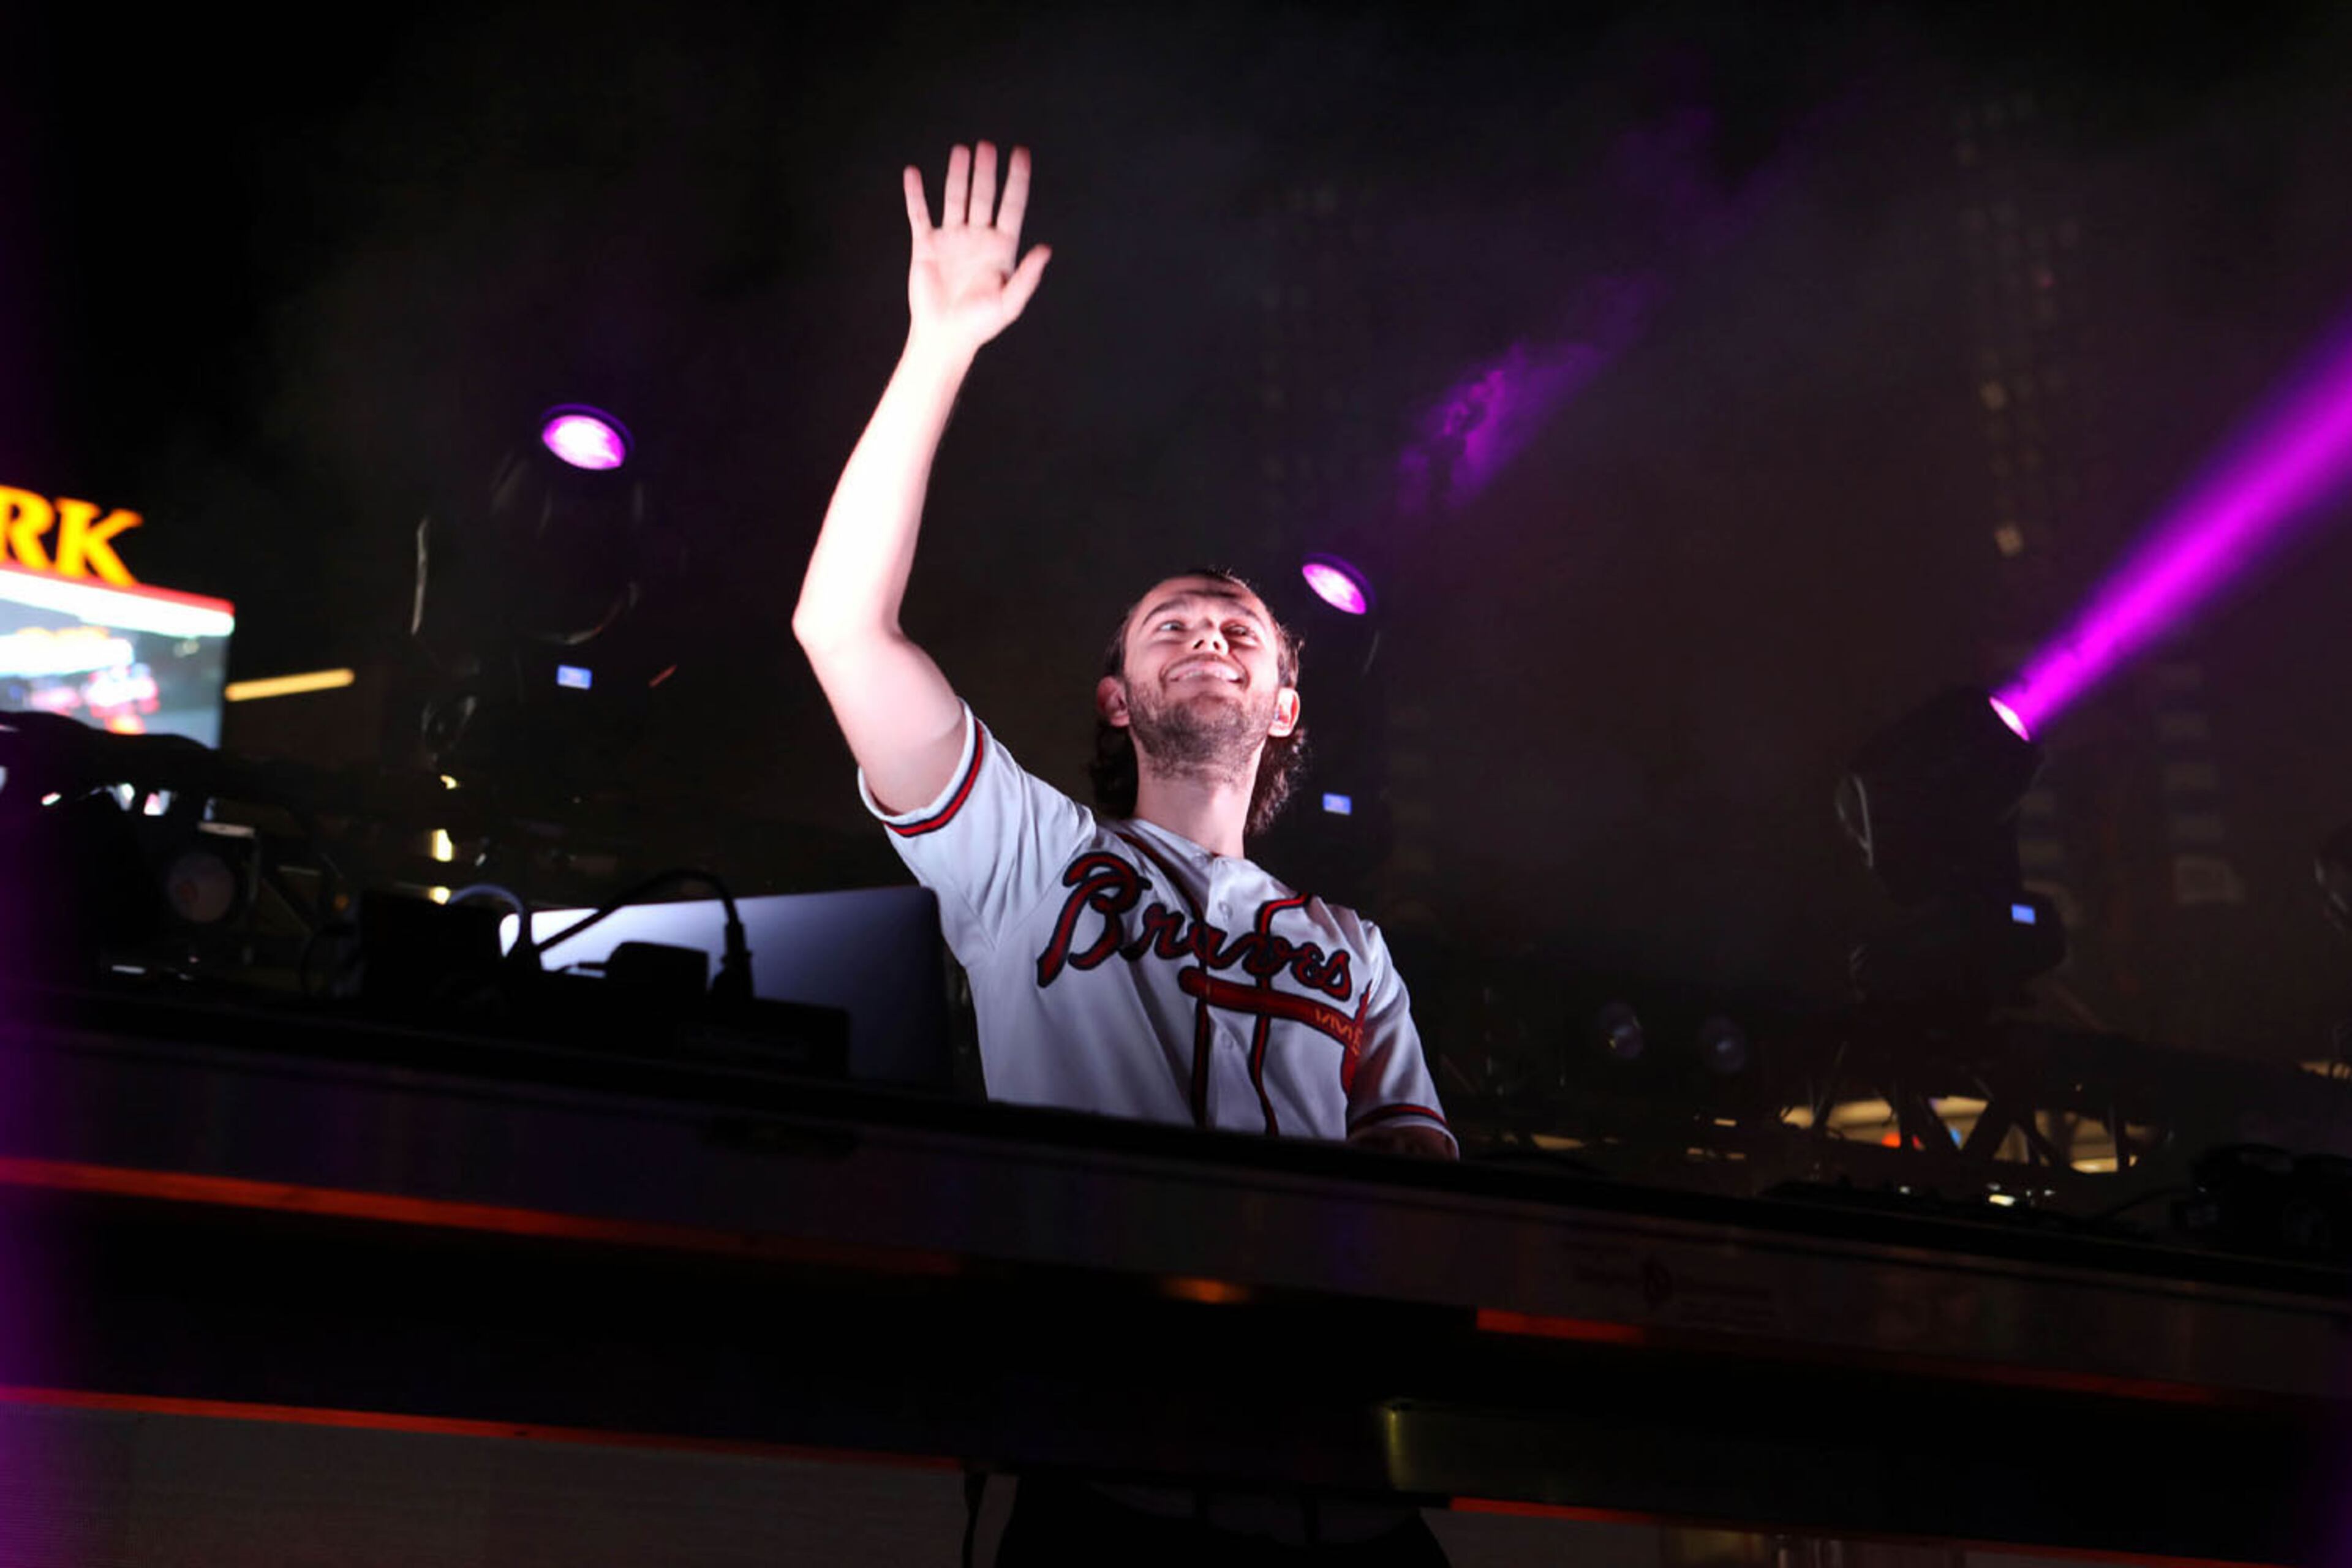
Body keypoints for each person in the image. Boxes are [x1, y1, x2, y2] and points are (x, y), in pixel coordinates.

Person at [792, 141, 1452, 1562]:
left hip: (1341, 1496)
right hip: (1111, 1485)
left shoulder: (1354, 949)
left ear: (1285, 704)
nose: (1211, 630)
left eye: (1243, 630)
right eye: (1172, 622)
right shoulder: (1024, 853)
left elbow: (1425, 1216)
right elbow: (845, 629)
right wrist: (938, 347)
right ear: (1115, 696)